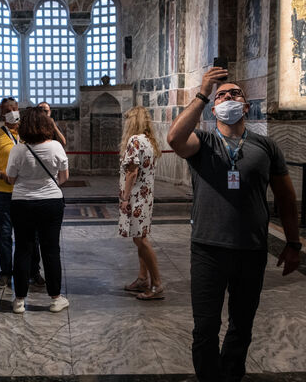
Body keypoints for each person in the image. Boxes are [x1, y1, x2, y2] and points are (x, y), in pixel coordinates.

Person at [167, 67, 301, 382]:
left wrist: (293, 244)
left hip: (251, 250)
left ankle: (230, 377)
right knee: (205, 328)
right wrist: (203, 93)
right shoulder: (202, 141)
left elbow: (286, 197)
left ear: (245, 106)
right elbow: (174, 138)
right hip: (207, 249)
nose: (228, 97)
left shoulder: (266, 146)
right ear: (214, 108)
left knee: (242, 326)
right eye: (222, 95)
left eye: (235, 94)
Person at [6, 107, 69, 313]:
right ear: (46, 125)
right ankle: (55, 299)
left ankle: (19, 301)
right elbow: (64, 178)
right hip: (51, 202)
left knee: (23, 249)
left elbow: (11, 179)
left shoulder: (17, 149)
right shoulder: (56, 147)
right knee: (51, 250)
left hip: (22, 202)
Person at [0, 97, 43, 289]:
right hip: (4, 193)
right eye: (7, 109)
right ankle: (5, 273)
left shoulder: (29, 134)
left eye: (14, 108)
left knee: (31, 234)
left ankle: (34, 271)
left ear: (19, 110)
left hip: (27, 191)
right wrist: (1, 175)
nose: (12, 112)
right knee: (5, 234)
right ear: (2, 113)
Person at [119, 106, 164, 300]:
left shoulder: (134, 140)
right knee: (141, 236)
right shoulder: (149, 141)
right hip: (146, 196)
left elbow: (132, 172)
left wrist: (125, 198)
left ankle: (157, 284)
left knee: (141, 240)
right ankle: (142, 279)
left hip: (136, 196)